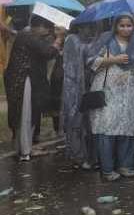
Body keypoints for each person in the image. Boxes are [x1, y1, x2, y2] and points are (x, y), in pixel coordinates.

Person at [88, 15, 134, 181]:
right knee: (106, 128)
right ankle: (107, 169)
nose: (126, 29)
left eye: (129, 26)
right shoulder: (106, 41)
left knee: (127, 128)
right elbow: (90, 61)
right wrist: (113, 59)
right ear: (115, 26)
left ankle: (125, 165)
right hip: (107, 90)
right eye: (122, 25)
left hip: (128, 92)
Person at [5, 15, 63, 161]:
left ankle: (26, 147)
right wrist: (59, 38)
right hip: (22, 81)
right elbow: (48, 53)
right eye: (46, 28)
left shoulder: (29, 35)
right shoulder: (28, 35)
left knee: (28, 114)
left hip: (24, 80)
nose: (48, 32)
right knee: (25, 114)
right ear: (39, 26)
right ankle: (25, 151)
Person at [62, 23, 99, 169]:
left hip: (88, 86)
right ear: (79, 27)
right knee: (75, 121)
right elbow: (76, 65)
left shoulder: (89, 41)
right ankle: (77, 155)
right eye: (88, 27)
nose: (91, 30)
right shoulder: (72, 40)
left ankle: (89, 156)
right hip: (74, 88)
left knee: (89, 123)